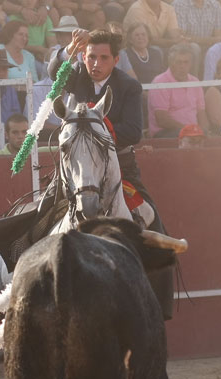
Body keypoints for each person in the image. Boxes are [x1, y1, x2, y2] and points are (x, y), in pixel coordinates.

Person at [48, 27, 174, 320]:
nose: (95, 63)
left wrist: (97, 130)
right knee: (40, 213)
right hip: (76, 168)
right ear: (83, 56)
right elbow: (55, 71)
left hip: (119, 166)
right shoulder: (75, 72)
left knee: (155, 225)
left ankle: (157, 307)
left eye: (103, 58)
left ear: (115, 59)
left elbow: (133, 131)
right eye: (91, 56)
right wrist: (68, 50)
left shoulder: (128, 86)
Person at [148, 43, 208, 138]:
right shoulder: (160, 82)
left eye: (186, 62)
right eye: (178, 62)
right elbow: (162, 119)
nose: (182, 66)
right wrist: (188, 130)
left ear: (191, 64)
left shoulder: (195, 81)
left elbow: (201, 112)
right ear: (171, 62)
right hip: (166, 132)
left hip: (192, 132)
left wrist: (204, 130)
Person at [172, 0, 221, 75]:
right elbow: (182, 36)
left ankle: (214, 83)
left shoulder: (215, 5)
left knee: (220, 47)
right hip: (187, 45)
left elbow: (219, 36)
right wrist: (210, 40)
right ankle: (193, 83)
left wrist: (207, 41)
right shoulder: (179, 4)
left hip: (209, 46)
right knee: (195, 48)